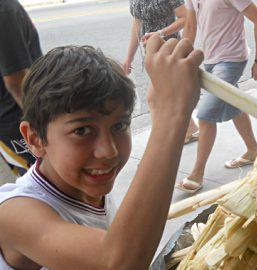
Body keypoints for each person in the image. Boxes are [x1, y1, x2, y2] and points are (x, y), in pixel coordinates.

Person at [0, 38, 203, 269]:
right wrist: (172, 114)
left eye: (119, 126)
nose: (109, 151)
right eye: (82, 130)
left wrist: (159, 107)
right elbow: (117, 262)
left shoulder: (85, 185)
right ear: (35, 139)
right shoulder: (14, 213)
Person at [176, 0, 257, 193]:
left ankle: (197, 173)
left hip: (231, 59)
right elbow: (190, 27)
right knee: (233, 101)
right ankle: (253, 151)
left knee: (206, 116)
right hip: (210, 59)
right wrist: (180, 58)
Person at [124, 0, 199, 144]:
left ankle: (160, 141)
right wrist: (129, 57)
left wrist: (160, 33)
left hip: (169, 51)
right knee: (169, 95)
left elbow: (185, 18)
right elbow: (137, 25)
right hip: (151, 54)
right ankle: (190, 129)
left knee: (154, 98)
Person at [0, 0, 41, 176]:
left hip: (14, 118)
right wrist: (43, 125)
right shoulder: (4, 10)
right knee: (43, 182)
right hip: (17, 119)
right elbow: (17, 81)